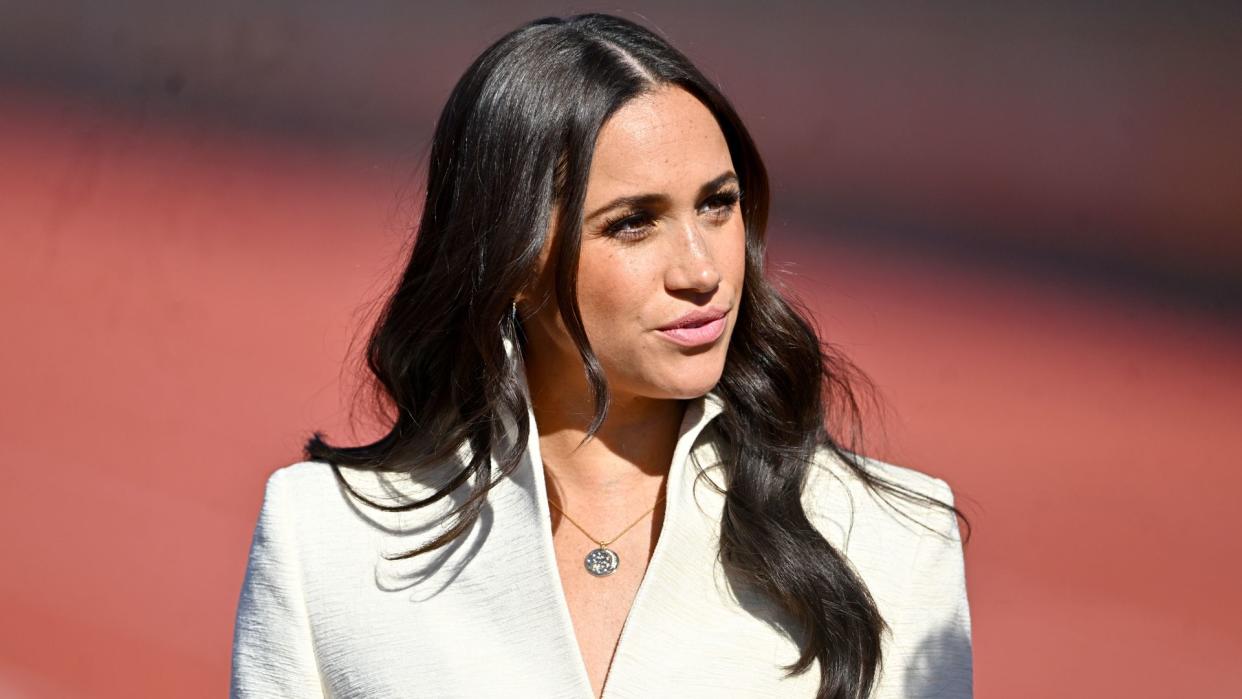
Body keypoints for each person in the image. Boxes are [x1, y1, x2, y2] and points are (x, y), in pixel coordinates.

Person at [229, 12, 973, 699]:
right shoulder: (323, 537)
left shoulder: (894, 540)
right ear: (512, 260)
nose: (702, 267)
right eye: (633, 224)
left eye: (717, 204)